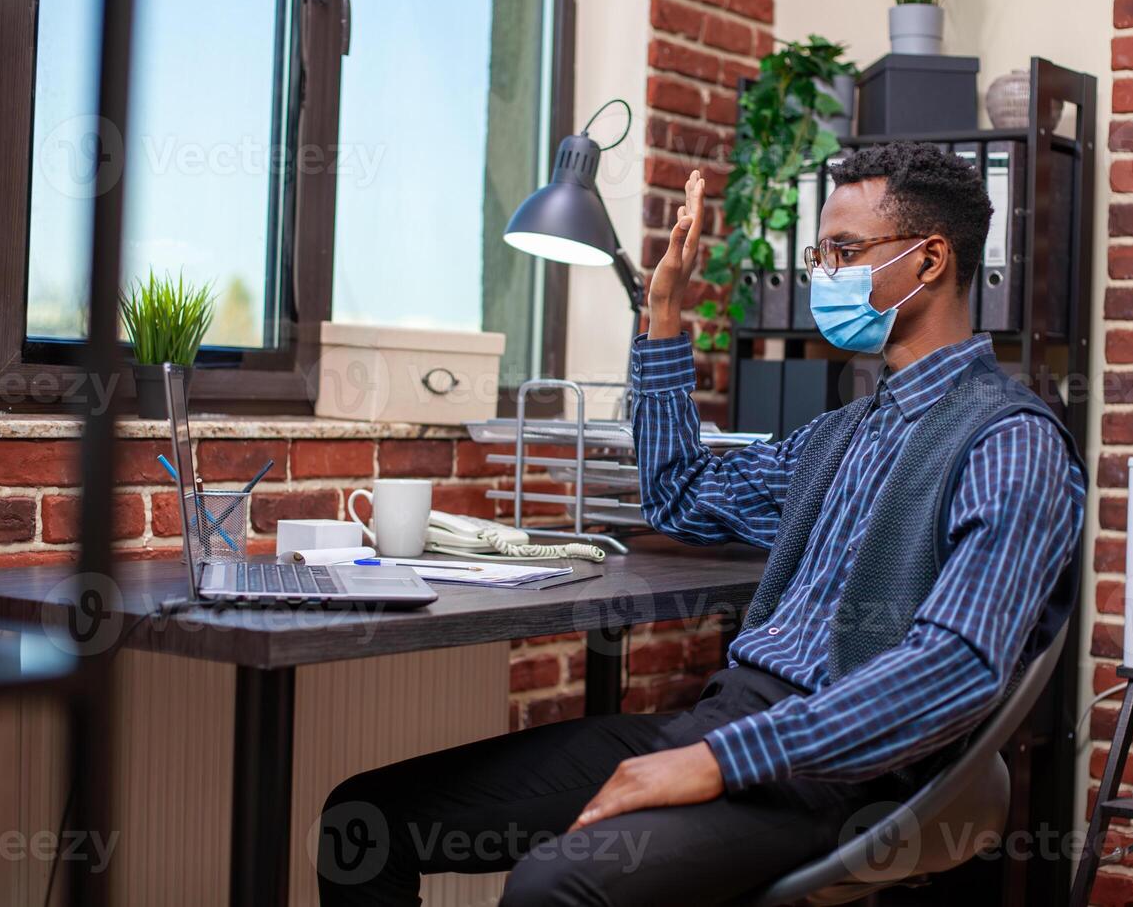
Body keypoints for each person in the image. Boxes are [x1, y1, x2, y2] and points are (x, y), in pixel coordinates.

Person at [317, 142, 1086, 907]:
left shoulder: (1010, 443)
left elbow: (951, 670)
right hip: (728, 720)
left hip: (841, 771)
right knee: (364, 823)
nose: (825, 274)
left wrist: (724, 759)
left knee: (552, 887)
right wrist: (663, 317)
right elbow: (679, 495)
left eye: (846, 252)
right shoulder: (847, 432)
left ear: (928, 261)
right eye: (823, 253)